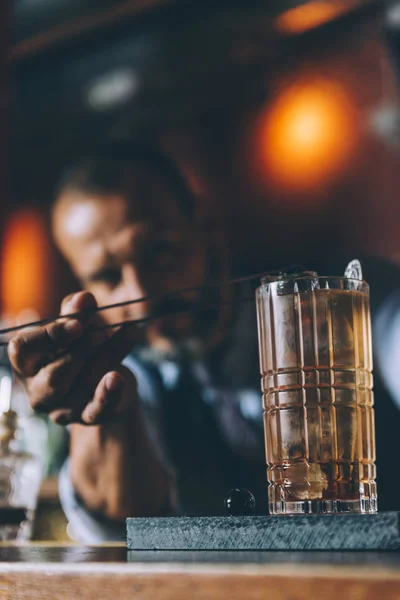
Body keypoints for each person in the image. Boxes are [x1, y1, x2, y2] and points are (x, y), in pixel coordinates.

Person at [7, 142, 400, 542]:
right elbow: (120, 529)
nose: (142, 291)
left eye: (159, 252)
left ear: (205, 228)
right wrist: (101, 417)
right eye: (107, 276)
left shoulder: (349, 297)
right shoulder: (134, 373)